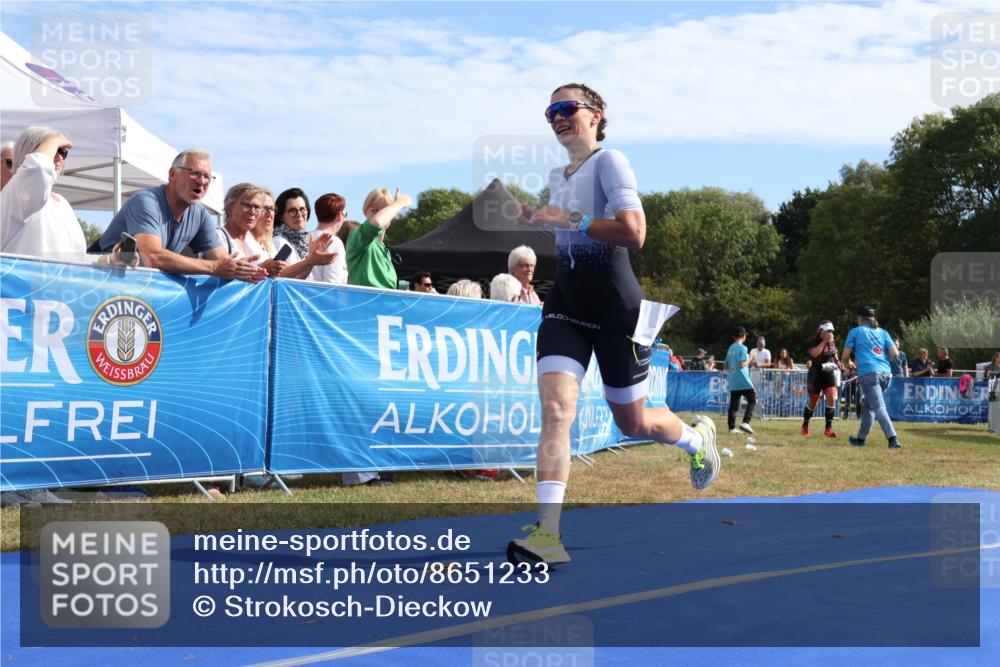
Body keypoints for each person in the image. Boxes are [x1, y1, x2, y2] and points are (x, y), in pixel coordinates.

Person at [506, 83, 719, 566]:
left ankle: (694, 439)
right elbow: (569, 226)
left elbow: (634, 232)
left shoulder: (611, 161)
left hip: (615, 308)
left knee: (633, 420)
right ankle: (548, 534)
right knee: (557, 409)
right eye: (550, 112)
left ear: (596, 115)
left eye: (567, 109)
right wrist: (541, 216)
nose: (558, 118)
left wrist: (574, 219)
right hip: (565, 304)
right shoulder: (558, 174)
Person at [95, 148, 264, 282]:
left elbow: (222, 260)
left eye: (207, 177)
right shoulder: (146, 201)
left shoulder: (200, 214)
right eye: (195, 173)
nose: (202, 181)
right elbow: (152, 257)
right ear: (172, 174)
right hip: (96, 278)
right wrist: (213, 267)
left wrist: (244, 270)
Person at [842, 305, 901, 449]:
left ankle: (893, 438)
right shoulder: (883, 332)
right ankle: (861, 439)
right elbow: (895, 354)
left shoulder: (855, 331)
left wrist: (848, 364)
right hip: (886, 374)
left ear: (860, 319)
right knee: (869, 407)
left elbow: (845, 356)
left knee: (879, 407)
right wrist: (881, 358)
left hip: (869, 374)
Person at [215, 183, 287, 277]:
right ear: (229, 208)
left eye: (257, 207)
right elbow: (215, 272)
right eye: (246, 205)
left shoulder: (250, 242)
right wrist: (263, 268)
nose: (252, 212)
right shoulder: (218, 236)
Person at [347, 188, 412, 289]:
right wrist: (400, 203)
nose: (380, 214)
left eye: (384, 210)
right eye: (374, 210)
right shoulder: (357, 237)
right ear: (365, 212)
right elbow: (377, 222)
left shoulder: (383, 249)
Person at [271, 187, 337, 280]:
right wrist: (311, 260)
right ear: (280, 216)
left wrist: (311, 258)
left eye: (302, 209)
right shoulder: (281, 242)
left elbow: (299, 278)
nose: (299, 214)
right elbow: (279, 277)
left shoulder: (300, 242)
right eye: (292, 210)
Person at [801, 321, 841, 438]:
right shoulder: (815, 341)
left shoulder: (832, 341)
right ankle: (805, 426)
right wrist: (824, 342)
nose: (831, 333)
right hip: (816, 372)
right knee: (814, 401)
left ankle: (828, 429)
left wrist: (838, 363)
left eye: (832, 331)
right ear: (821, 332)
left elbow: (834, 354)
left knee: (832, 395)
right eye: (828, 331)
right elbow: (814, 354)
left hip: (828, 370)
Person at [310, 193, 349, 285]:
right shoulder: (335, 242)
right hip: (320, 298)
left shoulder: (304, 237)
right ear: (339, 215)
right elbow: (332, 283)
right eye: (345, 214)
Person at [725, 325, 757, 435]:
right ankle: (745, 422)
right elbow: (742, 364)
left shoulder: (730, 348)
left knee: (733, 405)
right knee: (752, 400)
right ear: (744, 336)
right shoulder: (743, 348)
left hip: (733, 380)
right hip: (743, 379)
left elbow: (726, 365)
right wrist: (750, 359)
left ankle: (732, 428)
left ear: (734, 336)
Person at [247, 188, 278, 261]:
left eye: (272, 209)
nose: (270, 214)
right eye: (265, 208)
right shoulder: (245, 242)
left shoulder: (270, 246)